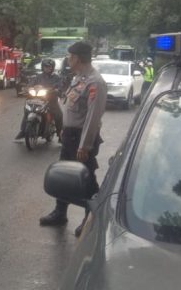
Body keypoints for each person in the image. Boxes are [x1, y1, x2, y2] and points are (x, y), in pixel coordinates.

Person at [39, 41, 107, 237]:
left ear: (77, 58)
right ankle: (60, 212)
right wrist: (63, 130)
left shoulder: (95, 82)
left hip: (81, 138)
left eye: (70, 56)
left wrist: (85, 144)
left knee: (85, 177)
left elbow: (93, 117)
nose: (68, 60)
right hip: (70, 135)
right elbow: (70, 107)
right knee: (63, 175)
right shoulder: (79, 78)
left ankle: (91, 216)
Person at [15, 58, 63, 141]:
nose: (48, 68)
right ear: (42, 67)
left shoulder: (56, 77)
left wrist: (57, 90)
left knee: (59, 115)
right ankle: (23, 131)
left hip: (51, 100)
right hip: (37, 99)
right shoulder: (38, 77)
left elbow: (60, 86)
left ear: (52, 68)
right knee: (27, 110)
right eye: (46, 67)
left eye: (49, 67)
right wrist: (27, 89)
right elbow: (30, 84)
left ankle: (60, 135)